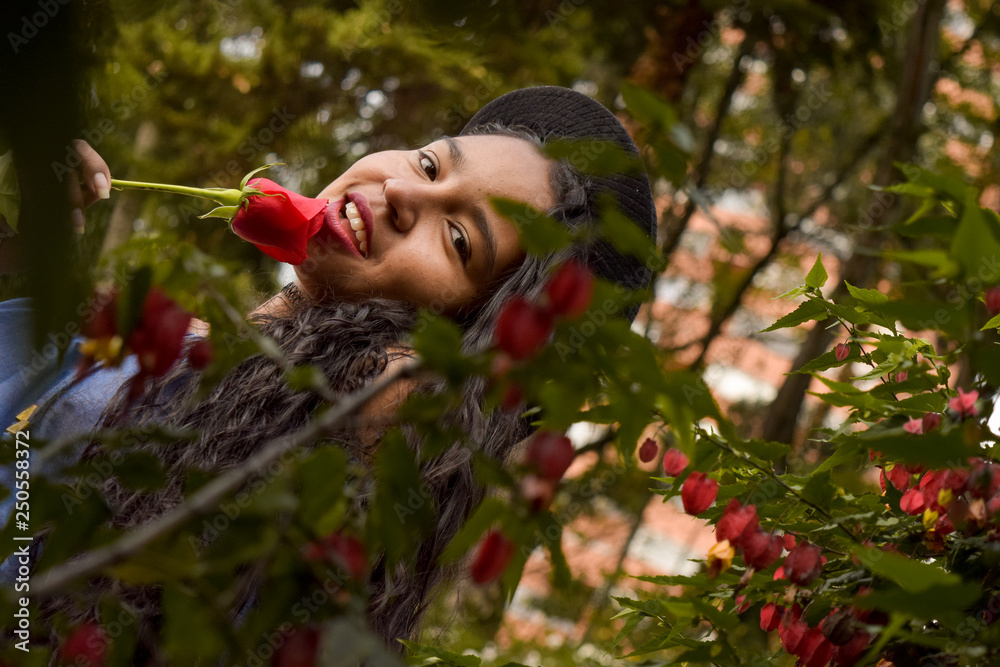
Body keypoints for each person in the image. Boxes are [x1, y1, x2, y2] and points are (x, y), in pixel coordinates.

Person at [0, 86, 656, 655]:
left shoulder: (352, 446)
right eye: (429, 163)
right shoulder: (131, 338)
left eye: (459, 239)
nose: (401, 191)